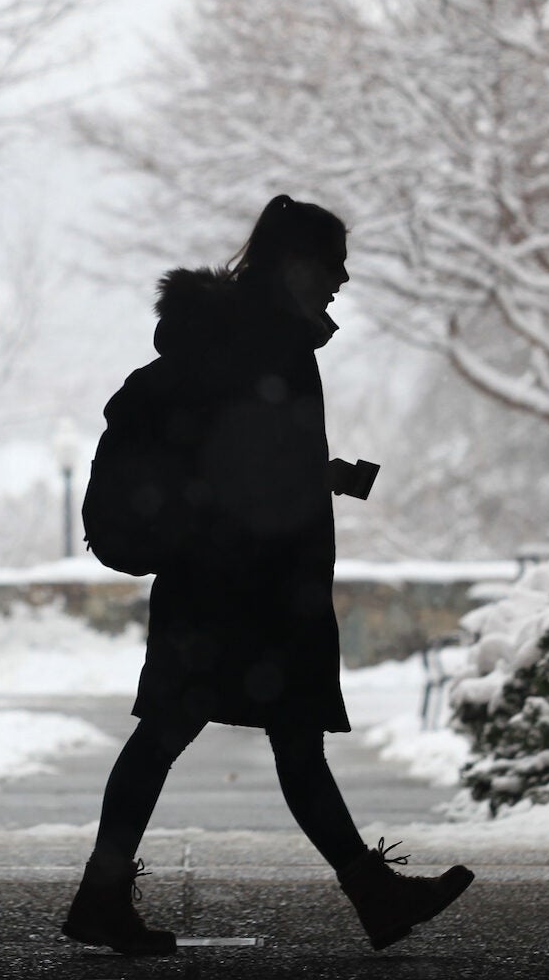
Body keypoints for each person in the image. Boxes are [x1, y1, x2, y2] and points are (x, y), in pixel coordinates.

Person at [62, 195, 473, 955]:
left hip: (221, 581)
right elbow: (242, 466)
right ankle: (367, 893)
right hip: (248, 588)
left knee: (214, 737)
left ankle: (108, 894)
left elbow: (236, 456)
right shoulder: (266, 341)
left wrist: (317, 476)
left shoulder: (236, 334)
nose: (342, 277)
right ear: (293, 262)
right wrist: (307, 487)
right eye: (331, 262)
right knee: (216, 737)